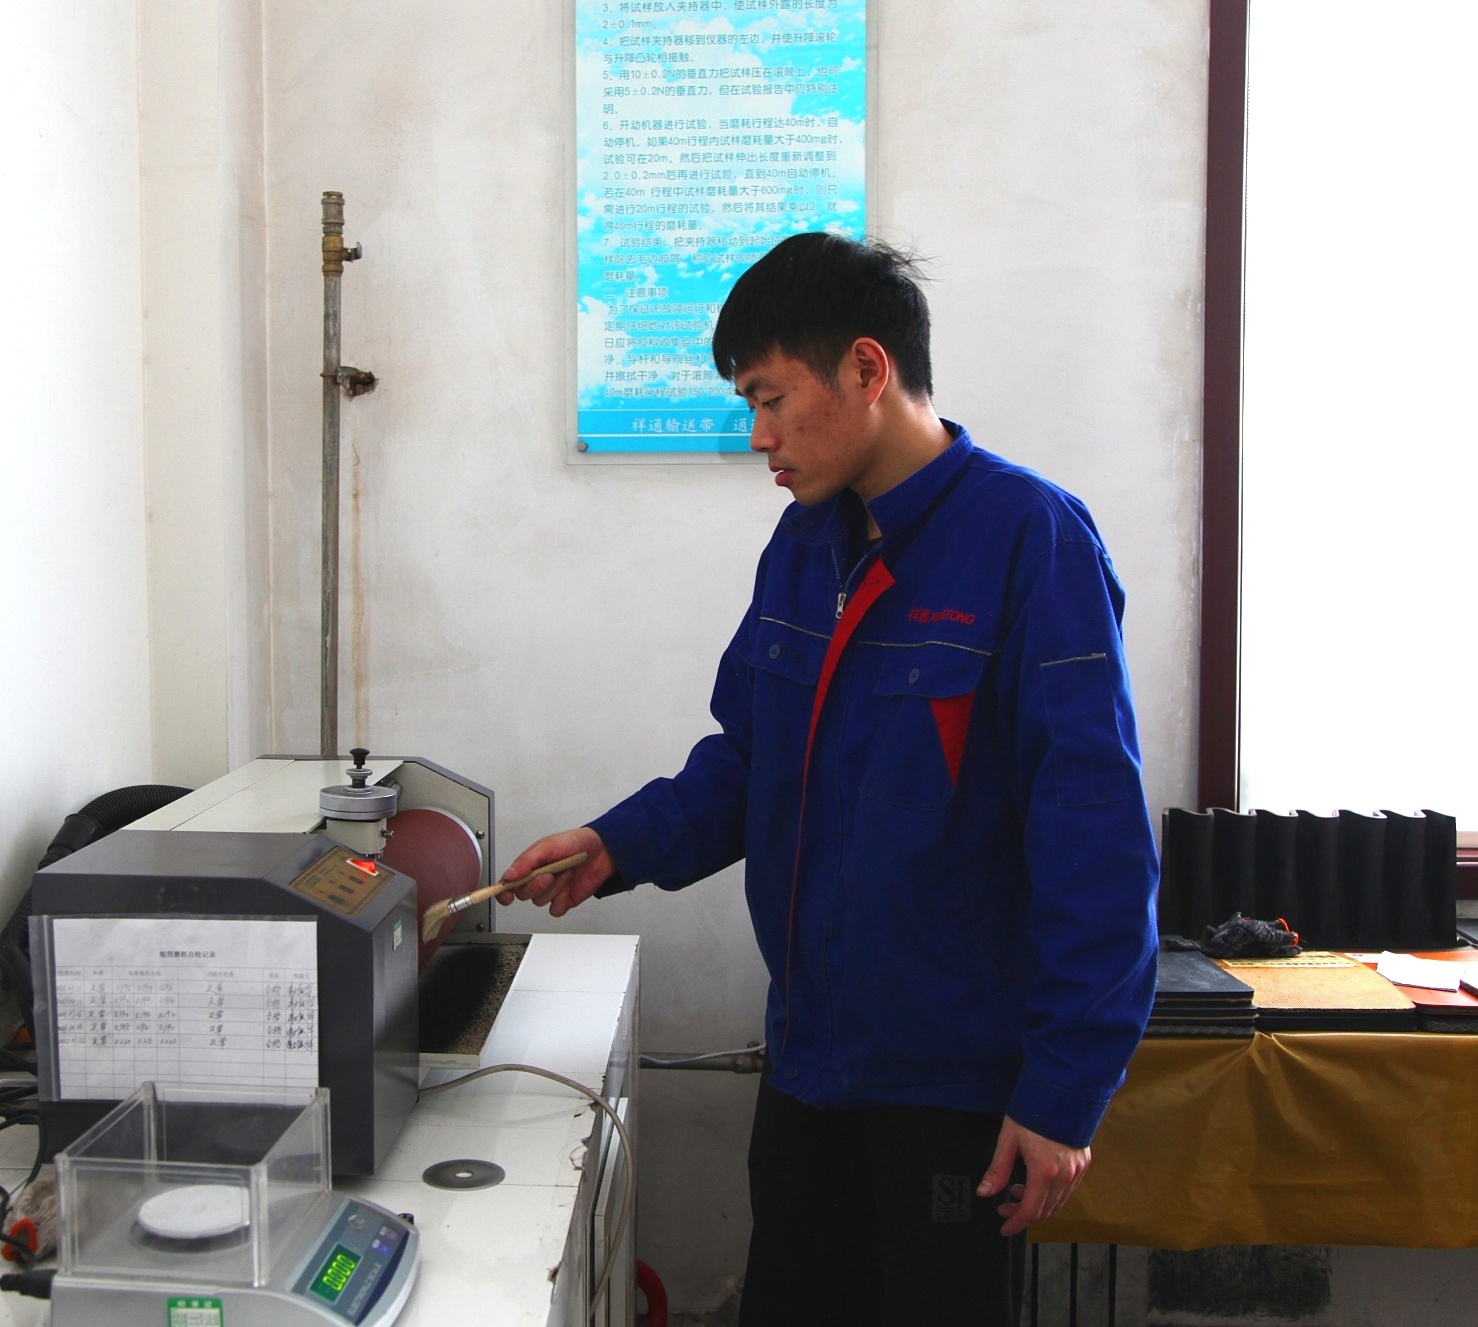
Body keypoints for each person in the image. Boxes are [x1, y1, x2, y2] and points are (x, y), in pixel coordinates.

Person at [500, 233, 1159, 1326]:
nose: (758, 436)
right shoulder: (805, 543)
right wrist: (618, 843)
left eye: (769, 398)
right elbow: (751, 758)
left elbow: (1094, 841)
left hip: (951, 1088)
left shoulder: (1030, 543)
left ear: (865, 368)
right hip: (808, 1064)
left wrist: (1064, 1092)